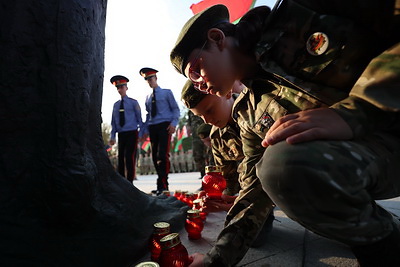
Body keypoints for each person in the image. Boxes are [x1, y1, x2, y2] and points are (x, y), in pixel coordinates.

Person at [171, 2, 400, 266]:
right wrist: (216, 260)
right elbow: (253, 191)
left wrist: (355, 112)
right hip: (376, 160)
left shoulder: (299, 14)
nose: (200, 84)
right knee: (279, 167)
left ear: (217, 38)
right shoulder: (247, 114)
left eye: (196, 70)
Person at [181, 79, 275, 264]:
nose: (208, 120)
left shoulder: (256, 109)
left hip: (271, 192)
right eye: (201, 116)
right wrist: (218, 200)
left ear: (224, 92)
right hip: (249, 197)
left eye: (209, 110)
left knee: (248, 236)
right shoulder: (216, 137)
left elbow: (261, 179)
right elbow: (228, 183)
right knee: (237, 230)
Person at [139, 67, 180, 195]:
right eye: (146, 79)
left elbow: (175, 109)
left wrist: (173, 124)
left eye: (150, 78)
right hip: (153, 127)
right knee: (154, 156)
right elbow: (148, 115)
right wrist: (143, 132)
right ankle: (160, 183)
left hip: (164, 126)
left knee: (163, 155)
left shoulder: (167, 93)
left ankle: (163, 183)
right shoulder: (147, 97)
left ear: (156, 78)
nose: (149, 81)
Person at [109, 75, 143, 183]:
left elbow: (139, 119)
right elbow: (113, 122)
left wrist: (142, 133)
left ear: (126, 88)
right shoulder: (116, 105)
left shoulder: (133, 103)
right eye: (118, 87)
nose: (120, 89)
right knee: (120, 158)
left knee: (129, 157)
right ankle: (122, 182)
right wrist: (112, 136)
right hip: (121, 134)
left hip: (132, 133)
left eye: (122, 87)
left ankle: (130, 182)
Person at [188, 111, 208, 178]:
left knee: (210, 156)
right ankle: (203, 177)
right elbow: (190, 123)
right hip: (195, 137)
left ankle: (211, 178)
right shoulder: (190, 110)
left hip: (207, 136)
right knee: (197, 156)